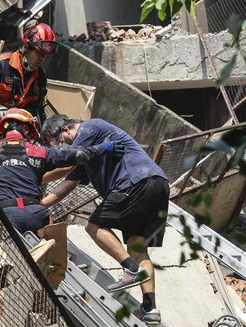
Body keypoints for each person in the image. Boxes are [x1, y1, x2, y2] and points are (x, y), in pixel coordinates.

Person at [41, 114, 169, 325]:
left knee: (93, 226)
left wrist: (34, 173)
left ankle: (130, 269)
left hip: (133, 182)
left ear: (65, 130)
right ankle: (150, 307)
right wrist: (39, 205)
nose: (59, 146)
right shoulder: (85, 157)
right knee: (137, 247)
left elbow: (65, 165)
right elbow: (66, 186)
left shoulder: (90, 128)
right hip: (158, 185)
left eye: (56, 140)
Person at [0, 108, 122, 235]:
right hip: (38, 215)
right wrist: (105, 147)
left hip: (7, 216)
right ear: (26, 129)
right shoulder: (38, 151)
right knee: (51, 268)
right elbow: (78, 156)